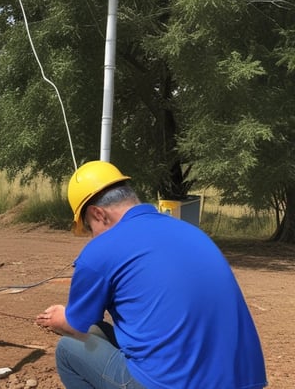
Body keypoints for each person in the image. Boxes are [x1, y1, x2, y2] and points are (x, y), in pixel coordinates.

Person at [36, 160, 267, 389]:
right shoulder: (189, 232)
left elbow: (75, 325)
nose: (92, 236)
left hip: (172, 383)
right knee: (99, 331)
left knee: (68, 350)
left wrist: (58, 318)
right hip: (244, 380)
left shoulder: (101, 249)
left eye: (88, 227)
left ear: (98, 214)